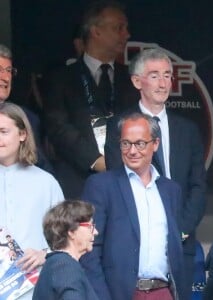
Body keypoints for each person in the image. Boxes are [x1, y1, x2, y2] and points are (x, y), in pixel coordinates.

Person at [105, 48, 206, 299]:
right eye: (154, 75)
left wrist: (181, 229)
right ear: (137, 81)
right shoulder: (120, 125)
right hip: (137, 243)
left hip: (181, 240)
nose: (163, 83)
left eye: (167, 75)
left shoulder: (188, 129)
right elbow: (119, 182)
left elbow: (198, 185)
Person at [80, 112, 184, 300]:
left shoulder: (171, 190)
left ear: (156, 144)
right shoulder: (101, 185)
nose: (132, 151)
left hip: (162, 292)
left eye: (140, 144)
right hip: (119, 294)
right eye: (126, 143)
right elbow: (89, 249)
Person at [43, 0, 139, 198]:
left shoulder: (131, 79)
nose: (126, 34)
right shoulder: (61, 78)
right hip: (77, 182)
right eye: (119, 28)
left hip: (124, 180)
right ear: (96, 32)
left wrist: (118, 161)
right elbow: (57, 127)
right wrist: (96, 160)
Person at [0, 102, 64, 300]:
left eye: (3, 131)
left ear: (22, 134)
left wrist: (44, 254)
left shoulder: (45, 182)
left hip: (36, 289)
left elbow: (67, 239)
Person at [0, 43, 53, 173]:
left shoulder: (26, 118)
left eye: (9, 71)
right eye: (0, 70)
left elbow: (41, 165)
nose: (6, 77)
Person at [32, 200, 99, 300]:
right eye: (90, 226)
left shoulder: (55, 263)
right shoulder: (65, 266)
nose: (96, 232)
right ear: (71, 232)